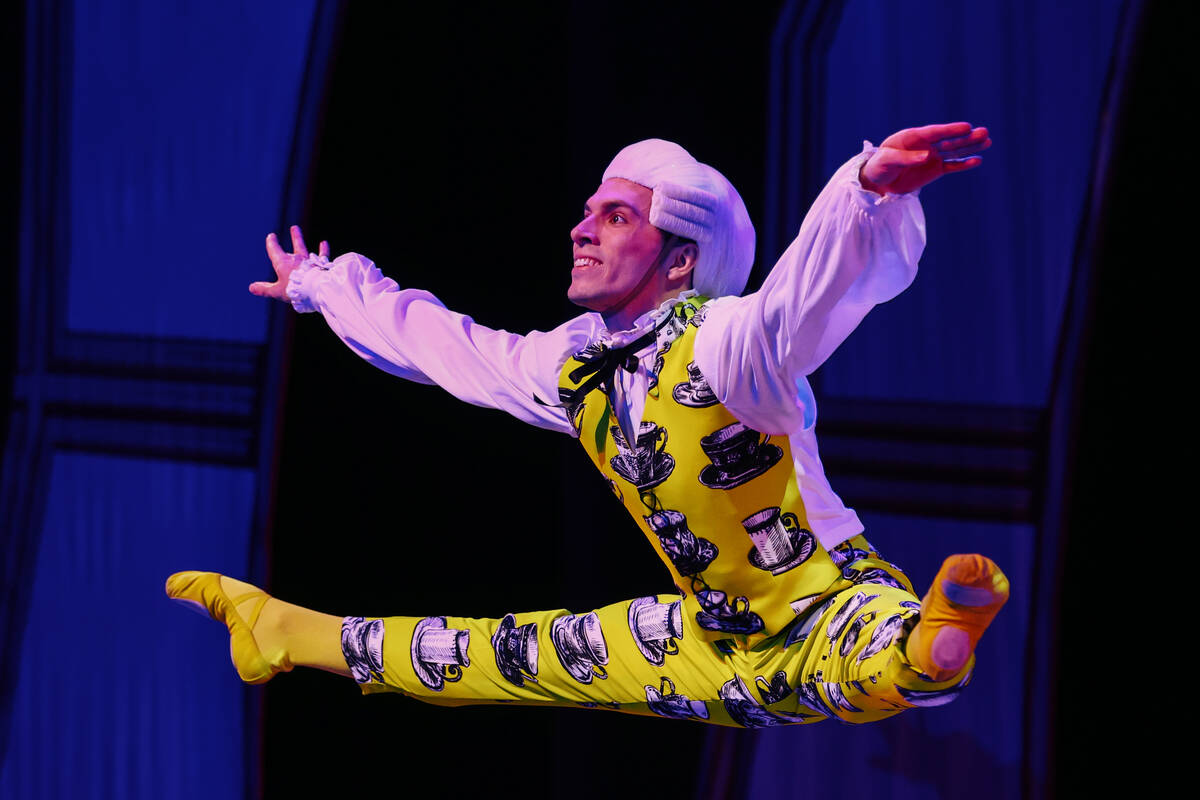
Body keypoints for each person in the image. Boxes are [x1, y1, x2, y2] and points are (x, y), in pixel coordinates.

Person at [167, 123, 1009, 727]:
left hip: (826, 610)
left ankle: (932, 645)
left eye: (616, 216)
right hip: (705, 641)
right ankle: (284, 632)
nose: (580, 227)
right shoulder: (575, 370)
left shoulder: (726, 343)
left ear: (680, 258)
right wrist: (322, 284)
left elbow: (807, 294)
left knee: (876, 665)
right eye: (589, 210)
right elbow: (444, 348)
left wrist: (864, 192)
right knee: (502, 656)